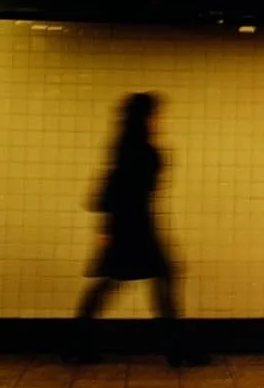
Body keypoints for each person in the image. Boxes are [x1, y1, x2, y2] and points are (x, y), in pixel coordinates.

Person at [68, 91, 208, 366]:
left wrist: (106, 228)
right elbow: (124, 191)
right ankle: (177, 351)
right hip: (137, 228)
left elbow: (111, 191)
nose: (160, 120)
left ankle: (77, 344)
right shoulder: (140, 150)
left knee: (113, 284)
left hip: (127, 227)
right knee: (160, 280)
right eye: (156, 115)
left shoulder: (126, 147)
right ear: (146, 118)